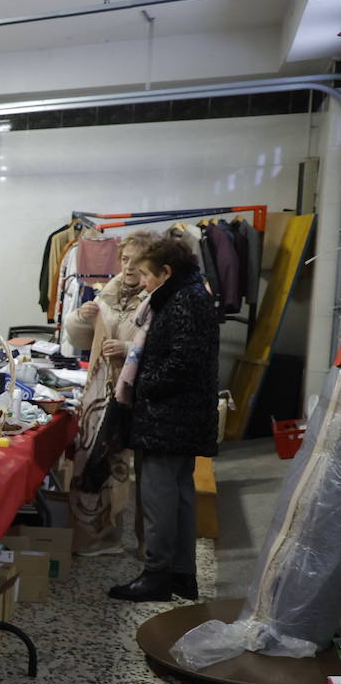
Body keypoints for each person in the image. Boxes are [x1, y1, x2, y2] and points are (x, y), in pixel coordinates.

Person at [108, 236, 219, 602]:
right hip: (180, 417)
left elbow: (183, 362)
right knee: (180, 496)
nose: (142, 283)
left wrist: (143, 384)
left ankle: (157, 576)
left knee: (159, 499)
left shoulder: (184, 300)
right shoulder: (190, 295)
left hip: (169, 418)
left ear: (166, 272)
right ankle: (182, 575)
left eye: (146, 275)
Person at [66, 232, 154, 557]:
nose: (129, 267)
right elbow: (80, 338)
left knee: (145, 473)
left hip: (141, 394)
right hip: (104, 394)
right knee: (104, 460)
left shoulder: (154, 298)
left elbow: (162, 346)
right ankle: (105, 535)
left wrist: (128, 348)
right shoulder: (108, 293)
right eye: (125, 259)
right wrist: (80, 318)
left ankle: (146, 541)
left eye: (137, 261)